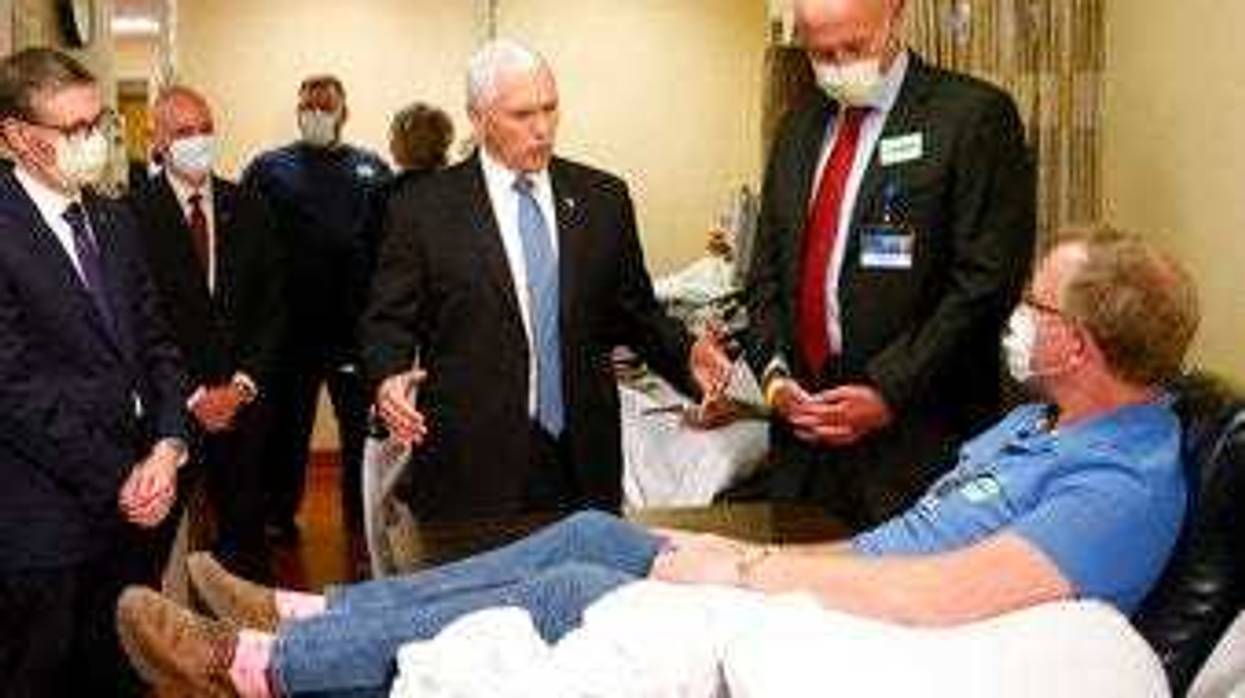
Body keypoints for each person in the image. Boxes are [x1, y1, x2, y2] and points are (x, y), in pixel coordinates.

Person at [118, 226, 1199, 697]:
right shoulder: (1041, 422)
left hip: (866, 635)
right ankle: (311, 617)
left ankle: (258, 665)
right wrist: (740, 562)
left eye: (1037, 306)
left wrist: (756, 570)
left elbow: (939, 594)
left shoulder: (1120, 484)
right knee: (594, 532)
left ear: (1084, 342)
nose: (1017, 319)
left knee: (568, 586)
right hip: (843, 583)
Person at [361, 39, 732, 523]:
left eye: (550, 109)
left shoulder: (602, 200)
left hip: (582, 461)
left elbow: (636, 313)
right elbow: (387, 320)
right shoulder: (423, 210)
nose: (542, 128)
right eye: (522, 115)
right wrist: (388, 378)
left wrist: (686, 356)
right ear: (478, 118)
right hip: (471, 465)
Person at [745, 0, 1037, 529]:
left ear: (895, 15)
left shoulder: (971, 117)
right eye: (821, 53)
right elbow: (766, 270)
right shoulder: (799, 125)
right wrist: (774, 377)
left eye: (854, 47)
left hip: (916, 439)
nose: (837, 66)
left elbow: (986, 282)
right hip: (802, 447)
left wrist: (888, 389)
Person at [0, 48, 190, 696]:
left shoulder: (114, 217)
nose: (93, 143)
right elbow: (13, 390)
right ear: (18, 137)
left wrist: (167, 447)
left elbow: (159, 344)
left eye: (98, 122)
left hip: (136, 512)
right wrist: (123, 478)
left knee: (126, 674)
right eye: (72, 130)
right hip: (41, 525)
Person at [128, 86, 285, 581]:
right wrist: (194, 395)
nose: (197, 140)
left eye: (204, 129)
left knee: (247, 547)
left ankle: (258, 650)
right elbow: (139, 321)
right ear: (157, 140)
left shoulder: (251, 207)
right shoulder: (131, 217)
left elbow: (273, 308)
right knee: (149, 552)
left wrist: (239, 386)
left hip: (243, 406)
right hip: (172, 411)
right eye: (182, 132)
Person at [242, 75, 392, 544]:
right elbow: (248, 243)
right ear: (297, 110)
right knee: (286, 431)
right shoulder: (269, 169)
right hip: (291, 331)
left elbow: (392, 245)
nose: (316, 113)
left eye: (325, 106)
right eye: (309, 105)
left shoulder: (372, 169)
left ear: (343, 112)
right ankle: (277, 517)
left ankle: (360, 519)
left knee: (360, 433)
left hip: (353, 331)